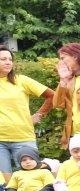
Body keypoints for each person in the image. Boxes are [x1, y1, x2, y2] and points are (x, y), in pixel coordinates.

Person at [0, 48, 55, 178]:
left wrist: (39, 115)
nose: (8, 62)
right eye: (3, 59)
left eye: (10, 59)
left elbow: (52, 95)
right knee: (5, 183)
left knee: (30, 179)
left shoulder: (22, 80)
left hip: (23, 138)